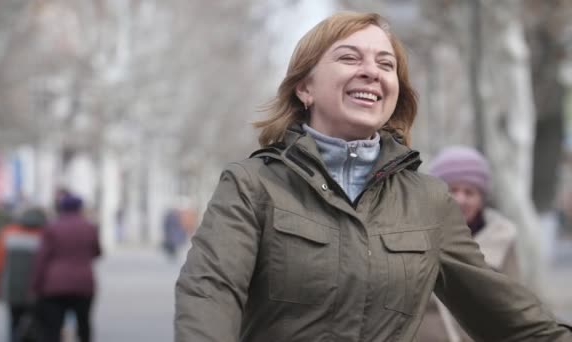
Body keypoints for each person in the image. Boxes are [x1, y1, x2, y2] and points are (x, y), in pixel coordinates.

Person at [174, 11, 572, 342]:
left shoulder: (428, 200)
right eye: (349, 58)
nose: (371, 72)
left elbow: (508, 317)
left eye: (386, 64)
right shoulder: (252, 184)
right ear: (305, 88)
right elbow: (210, 294)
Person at [415, 146, 519, 342]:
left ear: (481, 199)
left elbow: (515, 309)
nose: (460, 199)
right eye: (451, 190)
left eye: (469, 192)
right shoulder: (409, 237)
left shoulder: (502, 241)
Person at [32, 194, 101, 342]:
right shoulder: (89, 227)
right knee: (84, 325)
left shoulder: (52, 227)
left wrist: (36, 285)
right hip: (83, 284)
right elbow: (97, 252)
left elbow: (41, 258)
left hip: (55, 285)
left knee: (53, 328)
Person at [0, 207, 47, 342]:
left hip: (13, 289)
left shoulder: (8, 233)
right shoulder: (47, 234)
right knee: (39, 327)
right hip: (40, 291)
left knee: (14, 324)